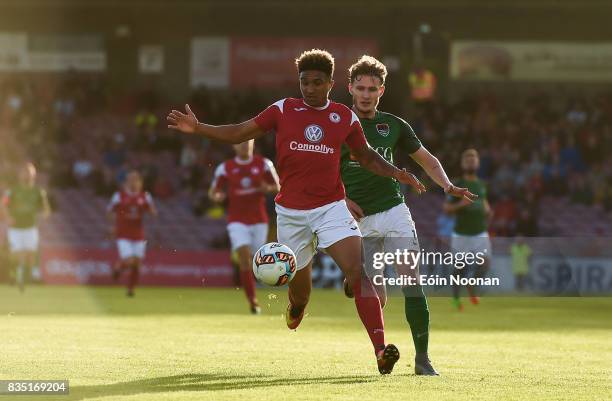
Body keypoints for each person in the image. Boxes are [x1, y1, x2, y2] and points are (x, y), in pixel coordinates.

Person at [167, 49, 426, 374]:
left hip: (332, 208)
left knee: (358, 274)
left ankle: (380, 351)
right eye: (304, 82)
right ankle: (296, 308)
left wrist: (396, 172)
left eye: (317, 82)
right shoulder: (283, 110)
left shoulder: (344, 117)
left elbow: (367, 157)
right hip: (291, 214)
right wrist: (199, 128)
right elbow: (240, 131)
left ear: (331, 84)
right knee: (301, 293)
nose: (309, 88)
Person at [341, 55, 476, 376]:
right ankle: (382, 349)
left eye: (372, 88)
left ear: (381, 91)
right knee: (379, 299)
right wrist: (342, 198)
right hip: (357, 220)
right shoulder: (336, 122)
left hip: (394, 211)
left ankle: (423, 359)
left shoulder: (395, 125)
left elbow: (427, 160)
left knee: (411, 281)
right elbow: (318, 169)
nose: (365, 94)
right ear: (349, 88)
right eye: (360, 87)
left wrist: (447, 184)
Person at [209, 139, 280, 314]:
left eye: (247, 142)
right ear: (233, 145)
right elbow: (213, 191)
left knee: (256, 260)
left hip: (259, 220)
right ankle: (253, 300)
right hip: (236, 220)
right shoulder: (225, 168)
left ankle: (260, 285)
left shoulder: (264, 164)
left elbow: (277, 187)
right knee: (244, 256)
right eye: (240, 143)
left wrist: (267, 187)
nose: (243, 145)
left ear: (253, 143)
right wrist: (217, 196)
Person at [443, 149, 492, 311]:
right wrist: (460, 205)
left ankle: (471, 284)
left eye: (473, 159)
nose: (471, 162)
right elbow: (446, 209)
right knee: (459, 267)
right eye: (468, 159)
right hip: (462, 233)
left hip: (480, 232)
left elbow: (484, 204)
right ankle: (456, 299)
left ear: (478, 163)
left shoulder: (482, 185)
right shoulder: (456, 184)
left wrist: (488, 211)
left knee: (485, 263)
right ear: (462, 164)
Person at [0, 162, 51, 292]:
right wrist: (7, 217)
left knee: (31, 252)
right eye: (25, 172)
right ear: (20, 174)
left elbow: (46, 208)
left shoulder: (39, 191)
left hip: (31, 227)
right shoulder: (12, 191)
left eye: (30, 172)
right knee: (15, 253)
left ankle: (32, 276)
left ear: (34, 174)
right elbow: (3, 204)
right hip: (15, 228)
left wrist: (44, 214)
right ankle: (14, 273)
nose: (27, 174)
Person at [107, 170, 158, 297]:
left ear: (140, 182)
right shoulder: (119, 195)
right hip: (123, 233)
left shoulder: (145, 196)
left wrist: (151, 211)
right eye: (131, 179)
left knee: (137, 263)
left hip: (138, 234)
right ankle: (118, 268)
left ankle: (130, 289)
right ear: (127, 182)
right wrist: (112, 226)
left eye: (136, 179)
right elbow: (109, 211)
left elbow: (152, 211)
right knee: (129, 261)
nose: (134, 182)